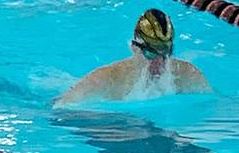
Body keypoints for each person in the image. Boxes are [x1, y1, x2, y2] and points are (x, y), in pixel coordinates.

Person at [55, 10, 212, 106]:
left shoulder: (188, 75)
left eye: (165, 55)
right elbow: (61, 108)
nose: (159, 63)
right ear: (134, 48)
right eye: (151, 54)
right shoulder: (107, 79)